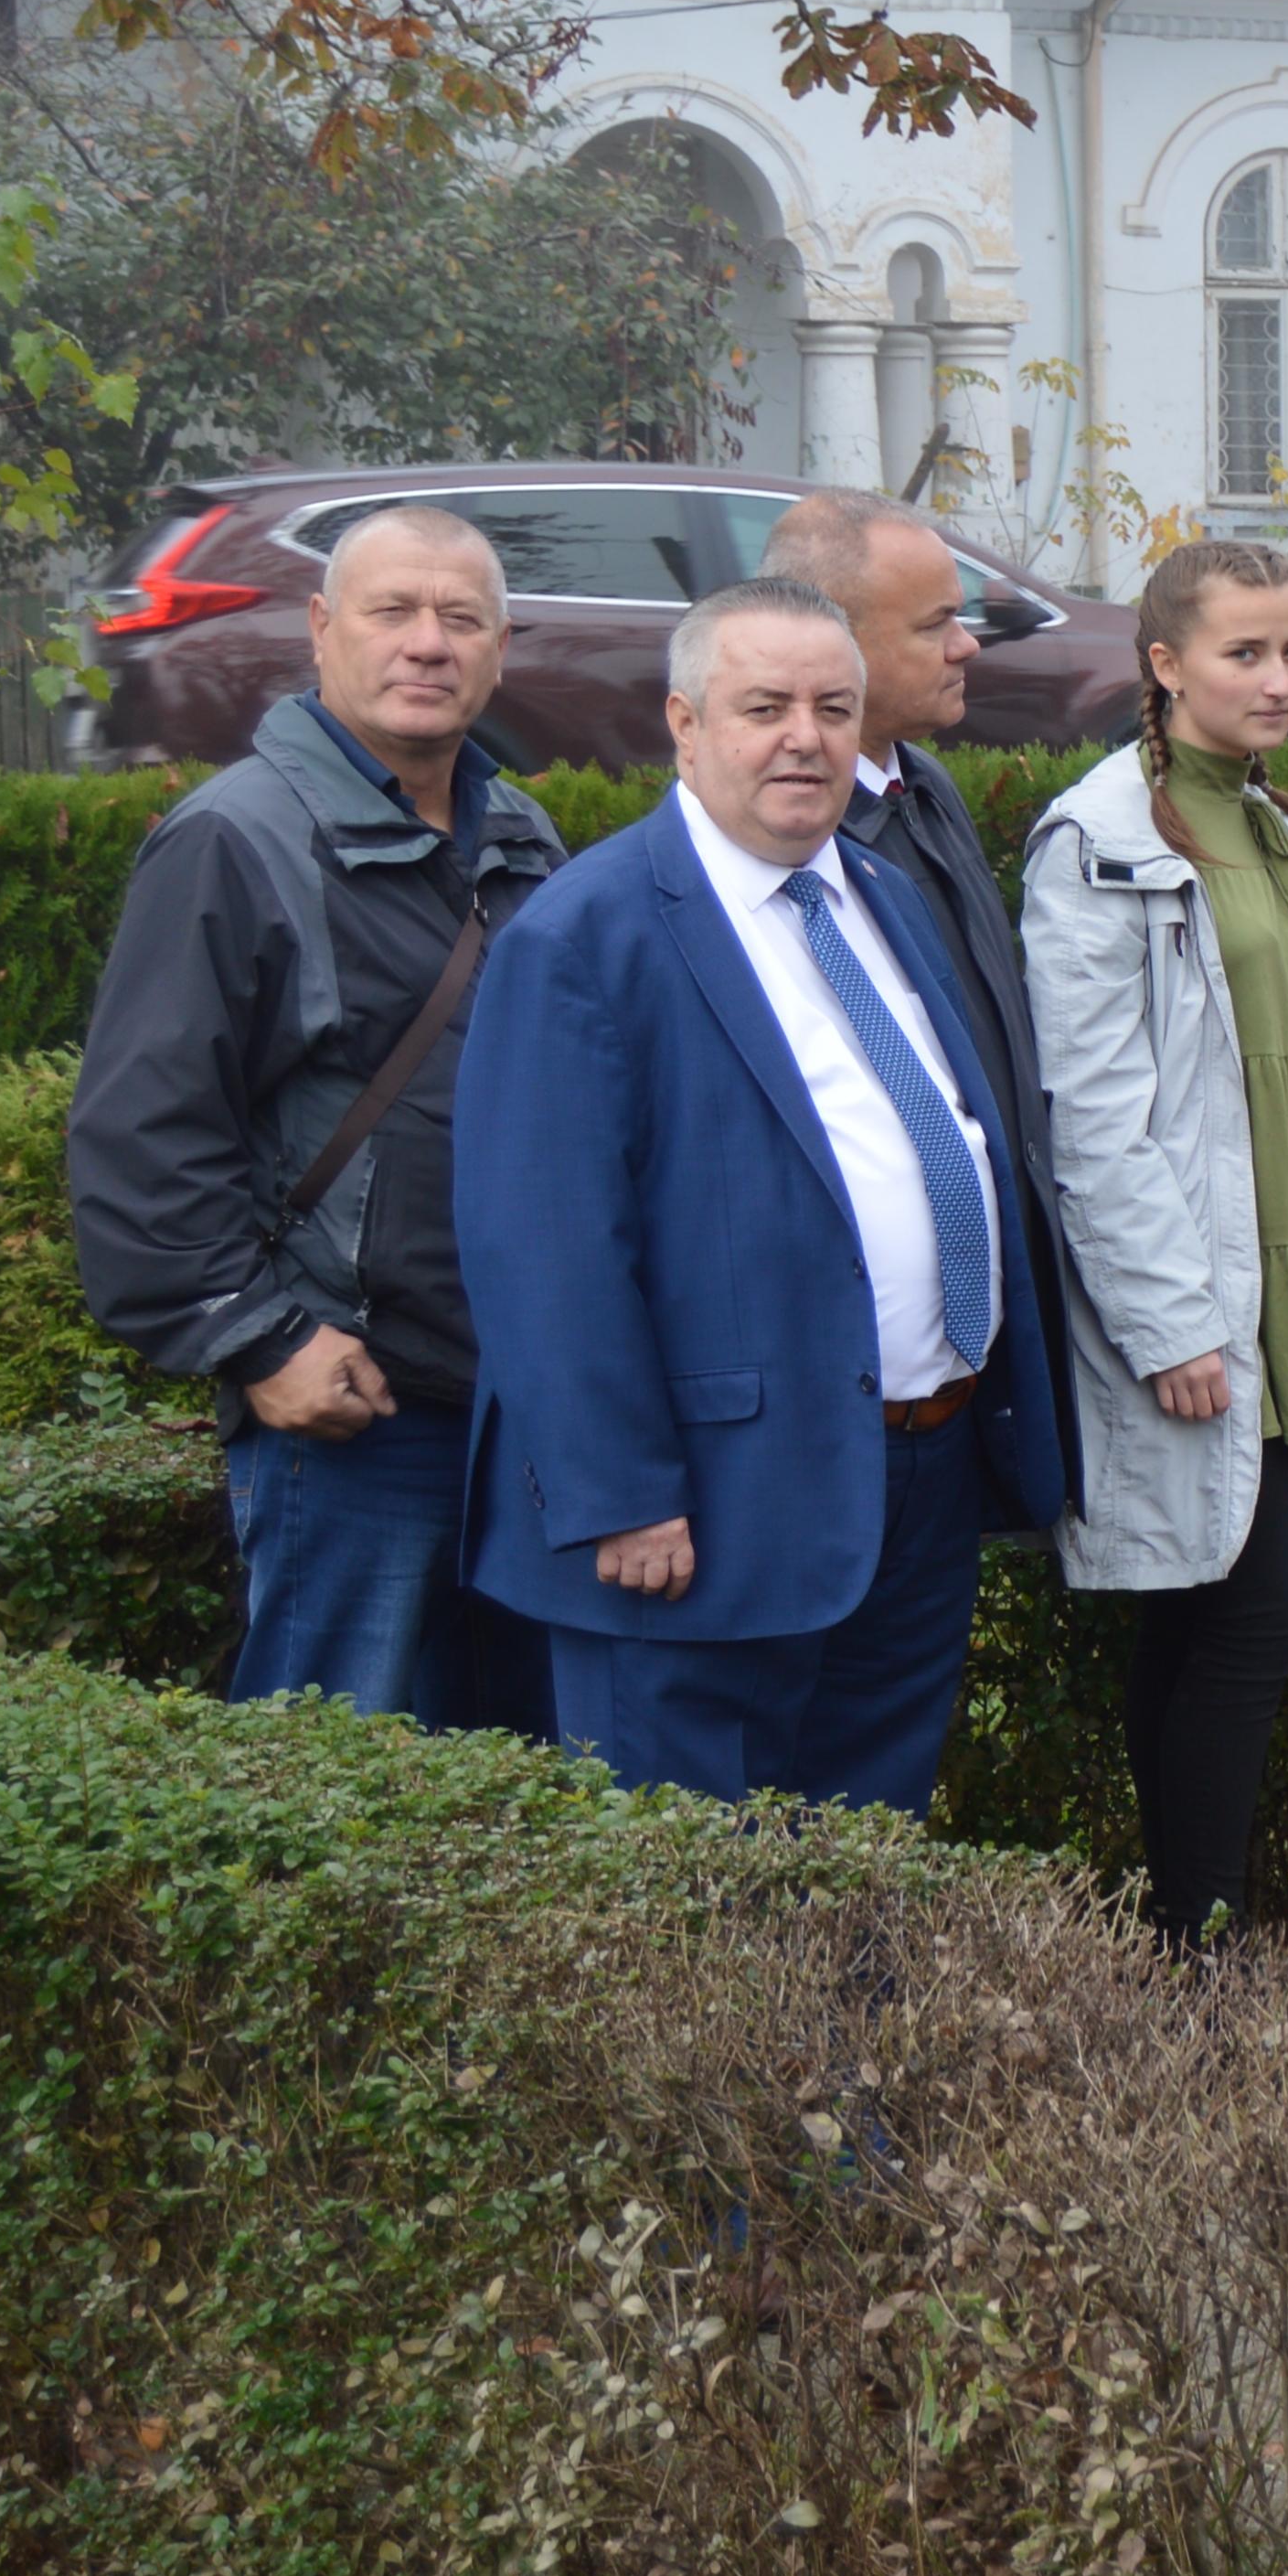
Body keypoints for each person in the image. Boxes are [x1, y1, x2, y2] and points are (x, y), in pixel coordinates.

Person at [454, 579, 1063, 1810]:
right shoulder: (585, 938)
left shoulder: (881, 899)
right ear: (684, 723)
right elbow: (544, 1251)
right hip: (699, 1519)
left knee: (862, 1883)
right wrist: (619, 1497)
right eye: (766, 705)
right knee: (698, 1928)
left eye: (835, 708)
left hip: (917, 1476)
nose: (806, 736)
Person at [69, 505, 564, 1725]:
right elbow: (143, 1133)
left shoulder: (522, 836)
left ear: (503, 648)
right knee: (347, 1807)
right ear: (323, 631)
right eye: (394, 612)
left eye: (461, 619)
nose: (428, 644)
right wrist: (258, 1341)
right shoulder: (233, 840)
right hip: (356, 1419)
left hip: (521, 1411)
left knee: (526, 1817)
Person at [1017, 540, 1288, 1949]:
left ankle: (1183, 1938)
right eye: (1244, 652)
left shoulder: (1285, 829)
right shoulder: (1097, 838)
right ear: (1165, 663)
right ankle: (1198, 1946)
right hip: (1194, 1296)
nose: (1276, 678)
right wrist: (1170, 1321)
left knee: (1206, 1611)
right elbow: (1097, 1114)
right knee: (1244, 1614)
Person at [760, 492, 1057, 1349]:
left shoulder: (921, 785)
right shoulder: (797, 848)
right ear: (833, 640)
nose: (966, 645)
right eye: (935, 625)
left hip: (999, 1305)